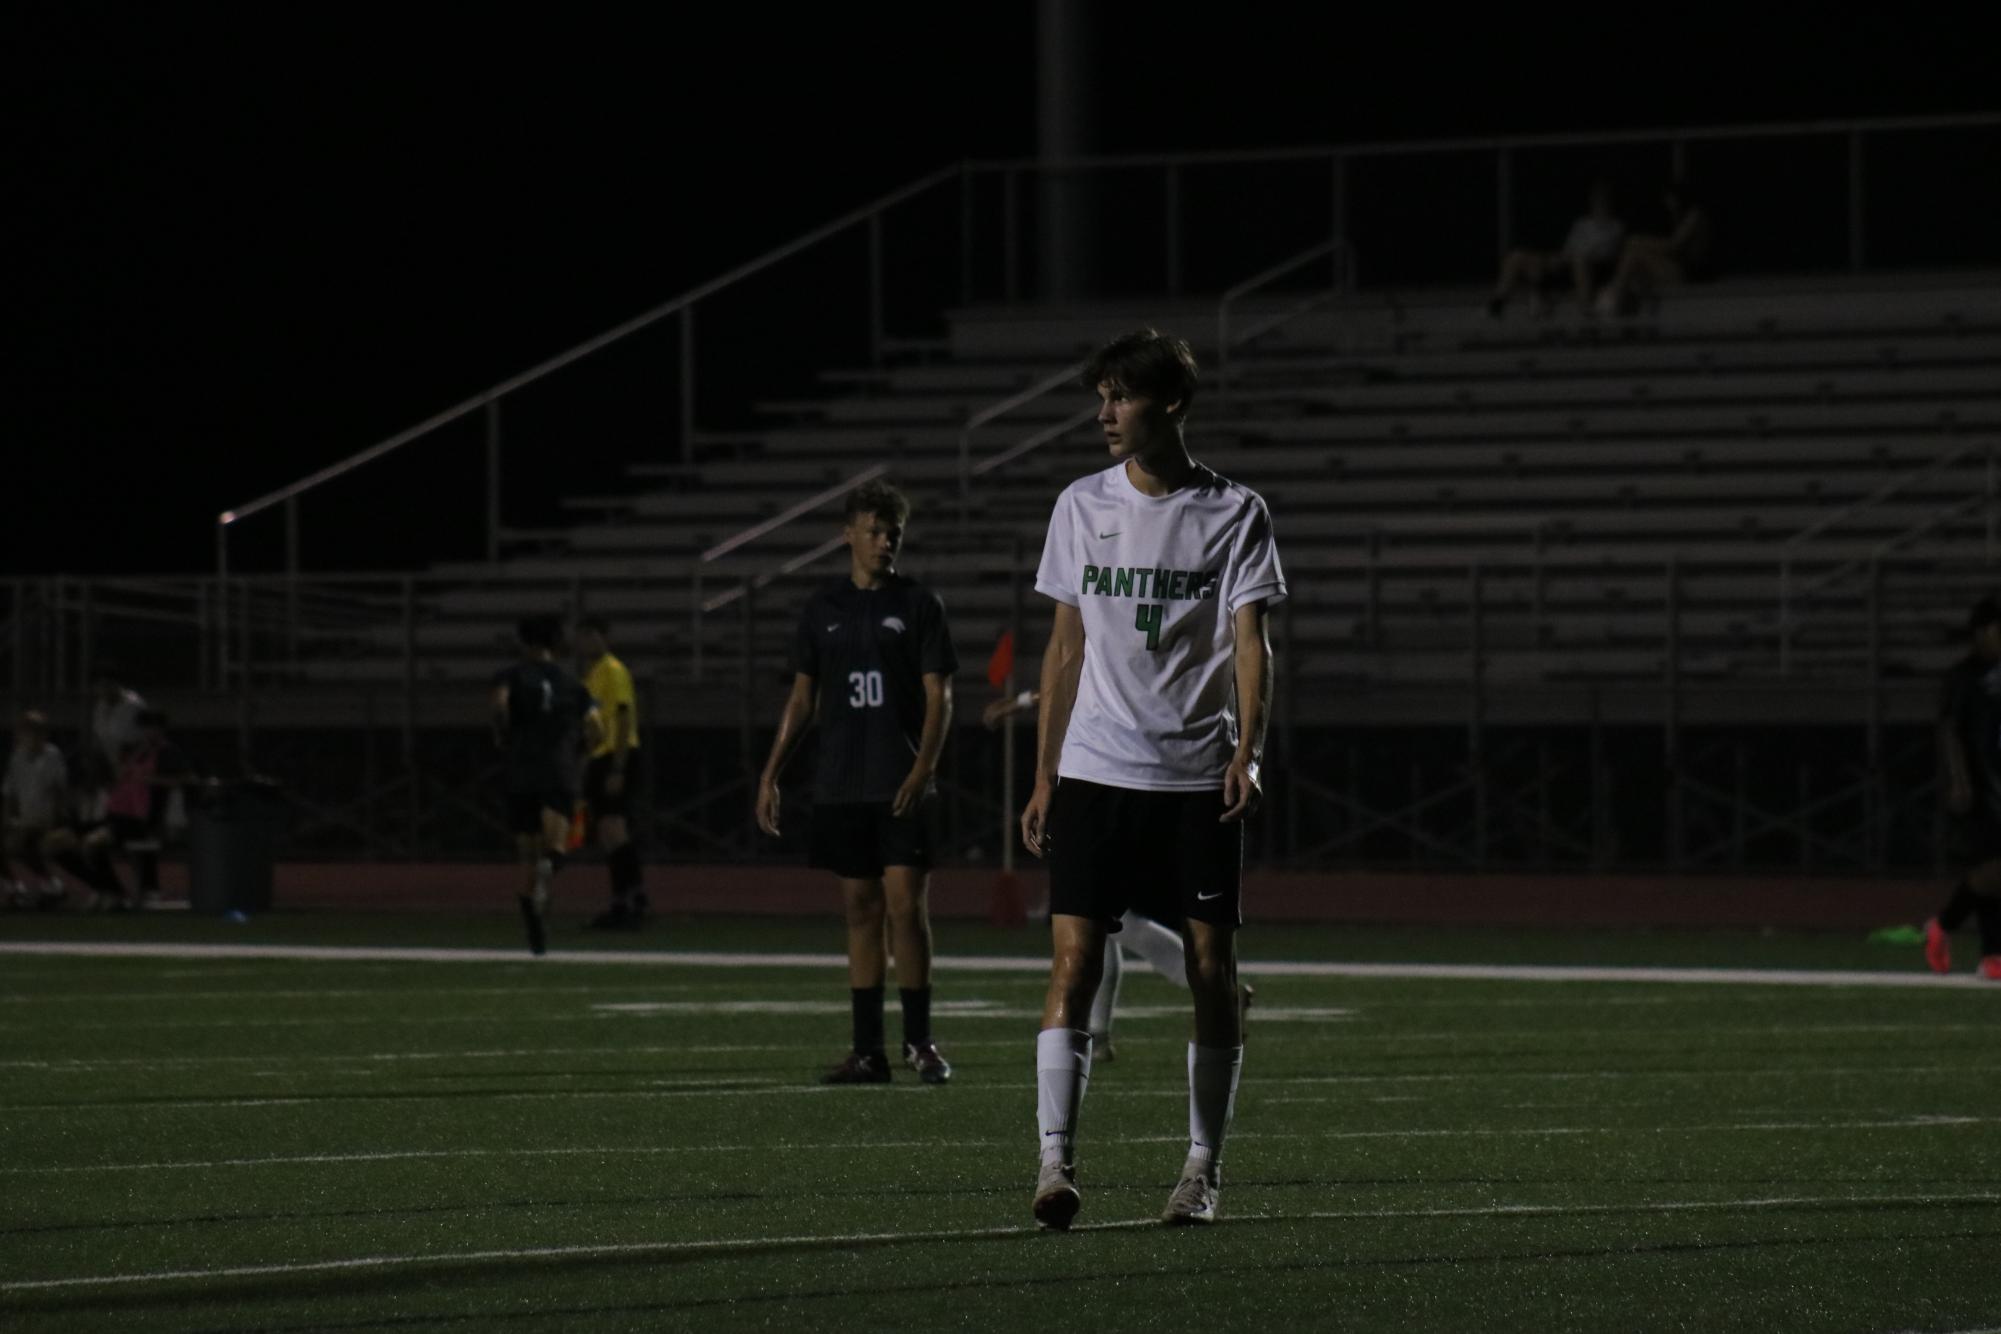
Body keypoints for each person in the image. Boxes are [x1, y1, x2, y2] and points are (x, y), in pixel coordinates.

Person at [1020, 327, 1285, 1230]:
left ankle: (1200, 1170)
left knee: (1212, 969)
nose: (1103, 413)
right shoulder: (1077, 505)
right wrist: (1045, 774)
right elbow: (1063, 648)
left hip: (1192, 780)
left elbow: (1251, 645)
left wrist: (1247, 751)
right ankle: (1054, 1163)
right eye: (1099, 396)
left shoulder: (1235, 511)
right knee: (1074, 960)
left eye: (1119, 397)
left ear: (1168, 403)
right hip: (1097, 769)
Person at [755, 480, 959, 1085]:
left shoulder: (920, 603)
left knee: (906, 909)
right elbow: (802, 696)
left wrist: (923, 767)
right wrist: (772, 772)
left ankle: (919, 1042)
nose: (884, 541)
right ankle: (868, 1051)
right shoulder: (823, 609)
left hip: (899, 781)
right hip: (842, 783)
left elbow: (939, 694)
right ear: (848, 534)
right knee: (860, 910)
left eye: (892, 531)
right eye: (873, 530)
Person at [983, 687, 1238, 1058]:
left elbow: (1070, 682)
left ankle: (1214, 990)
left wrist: (1015, 704)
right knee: (1103, 926)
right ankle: (1100, 1031)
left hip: (1113, 790)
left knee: (1104, 920)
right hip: (1108, 785)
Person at [492, 615, 603, 956]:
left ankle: (533, 926)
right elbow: (596, 726)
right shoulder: (573, 683)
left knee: (526, 849)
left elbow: (499, 706)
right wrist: (582, 752)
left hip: (522, 769)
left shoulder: (510, 676)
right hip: (559, 768)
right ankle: (549, 868)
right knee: (556, 843)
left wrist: (504, 737)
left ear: (525, 642)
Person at [1923, 596, 2001, 980]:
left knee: (1992, 874)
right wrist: (1959, 781)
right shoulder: (1963, 676)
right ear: (1982, 631)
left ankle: (1983, 950)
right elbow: (1950, 730)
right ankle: (1953, 931)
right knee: (1992, 869)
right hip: (1976, 784)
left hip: (1997, 782)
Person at [577, 616, 650, 929]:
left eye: (592, 635)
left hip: (616, 755)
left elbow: (622, 717)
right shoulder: (592, 675)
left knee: (615, 829)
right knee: (608, 834)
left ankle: (633, 899)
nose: (586, 642)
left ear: (605, 637)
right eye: (583, 637)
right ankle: (623, 899)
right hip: (600, 756)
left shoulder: (613, 670)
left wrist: (618, 766)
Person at [90, 709, 194, 904]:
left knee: (102, 842)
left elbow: (184, 779)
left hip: (147, 818)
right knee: (91, 843)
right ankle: (109, 888)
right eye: (145, 728)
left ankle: (137, 889)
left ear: (161, 730)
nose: (149, 732)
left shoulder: (167, 752)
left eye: (153, 728)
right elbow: (120, 779)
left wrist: (151, 780)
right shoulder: (138, 752)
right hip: (122, 814)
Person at [1486, 179, 1625, 318]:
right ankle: (1499, 300)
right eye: (1596, 199)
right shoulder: (1582, 224)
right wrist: (1558, 258)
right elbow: (1569, 247)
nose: (1599, 203)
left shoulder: (1615, 226)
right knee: (1518, 256)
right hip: (1568, 263)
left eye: (1602, 200)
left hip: (1594, 268)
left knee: (1579, 259)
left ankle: (1585, 307)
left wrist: (1579, 255)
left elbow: (1608, 253)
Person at [1595, 181, 1714, 316]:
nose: (1667, 203)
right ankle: (1617, 296)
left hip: (1690, 274)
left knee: (1635, 253)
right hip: (1676, 269)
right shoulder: (1677, 216)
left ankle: (1612, 299)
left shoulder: (1694, 214)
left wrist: (1641, 241)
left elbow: (1674, 245)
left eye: (1670, 198)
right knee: (1634, 258)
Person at [2, 710, 70, 909]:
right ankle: (14, 887)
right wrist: (6, 818)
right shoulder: (18, 756)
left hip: (44, 818)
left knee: (25, 846)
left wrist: (54, 820)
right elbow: (9, 791)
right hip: (24, 818)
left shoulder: (52, 755)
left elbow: (59, 790)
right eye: (25, 731)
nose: (27, 735)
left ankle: (52, 886)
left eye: (33, 731)